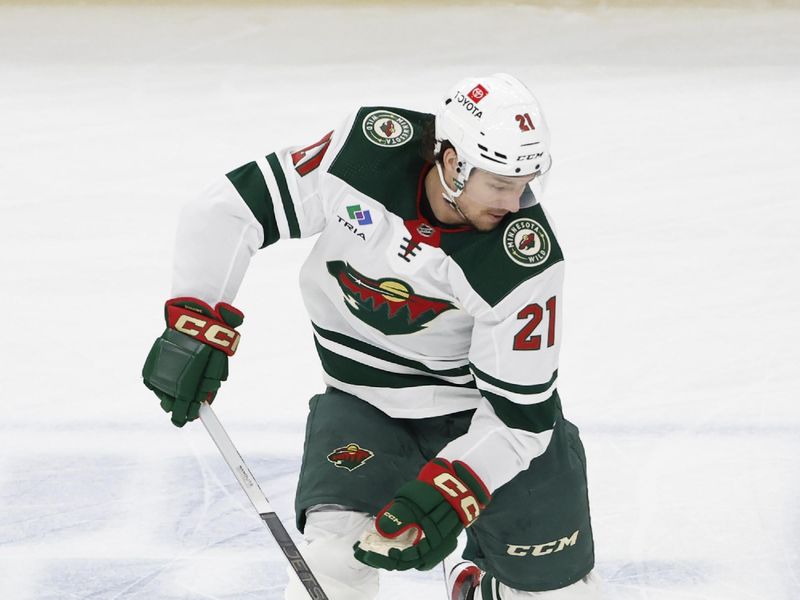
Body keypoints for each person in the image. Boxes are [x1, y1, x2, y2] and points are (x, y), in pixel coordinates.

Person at [143, 73, 600, 600]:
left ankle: (485, 580)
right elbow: (227, 209)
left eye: (525, 183)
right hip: (366, 407)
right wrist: (194, 321)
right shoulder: (367, 152)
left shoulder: (523, 260)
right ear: (452, 162)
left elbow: (520, 421)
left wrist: (454, 491)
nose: (515, 201)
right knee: (330, 567)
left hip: (483, 422)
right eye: (499, 183)